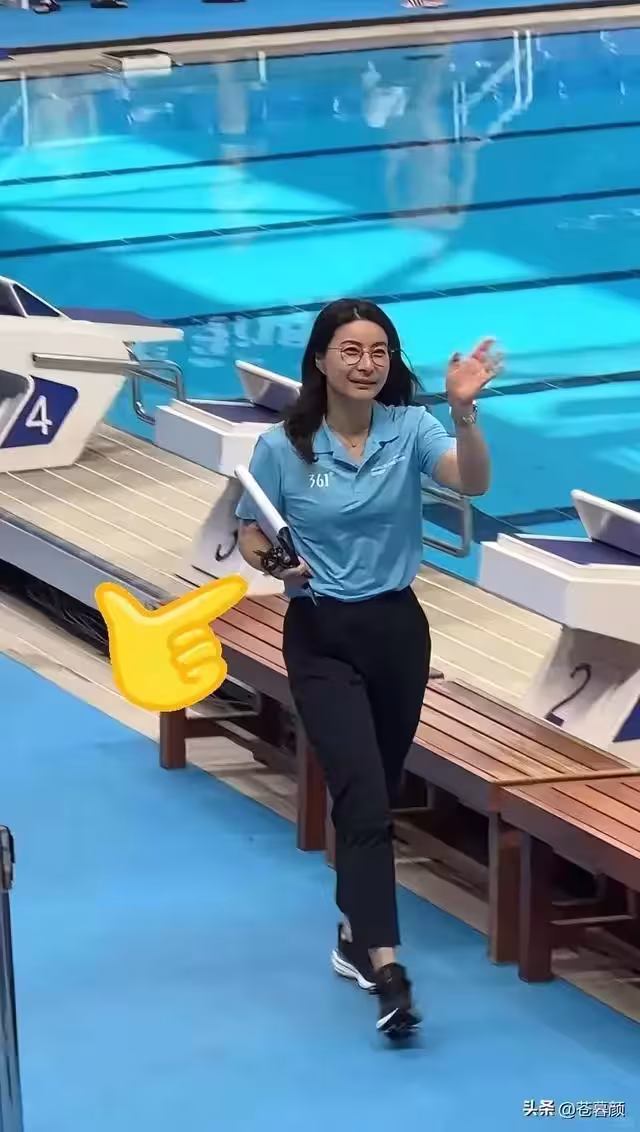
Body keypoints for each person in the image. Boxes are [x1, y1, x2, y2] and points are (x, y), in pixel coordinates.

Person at [235, 298, 498, 1040]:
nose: (366, 364)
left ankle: (353, 934)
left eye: (378, 351)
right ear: (320, 359)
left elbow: (473, 483)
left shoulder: (410, 428)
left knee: (377, 788)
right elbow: (250, 531)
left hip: (397, 633)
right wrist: (275, 563)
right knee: (362, 798)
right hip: (320, 633)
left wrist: (464, 412)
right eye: (350, 350)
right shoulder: (283, 445)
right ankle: (388, 967)